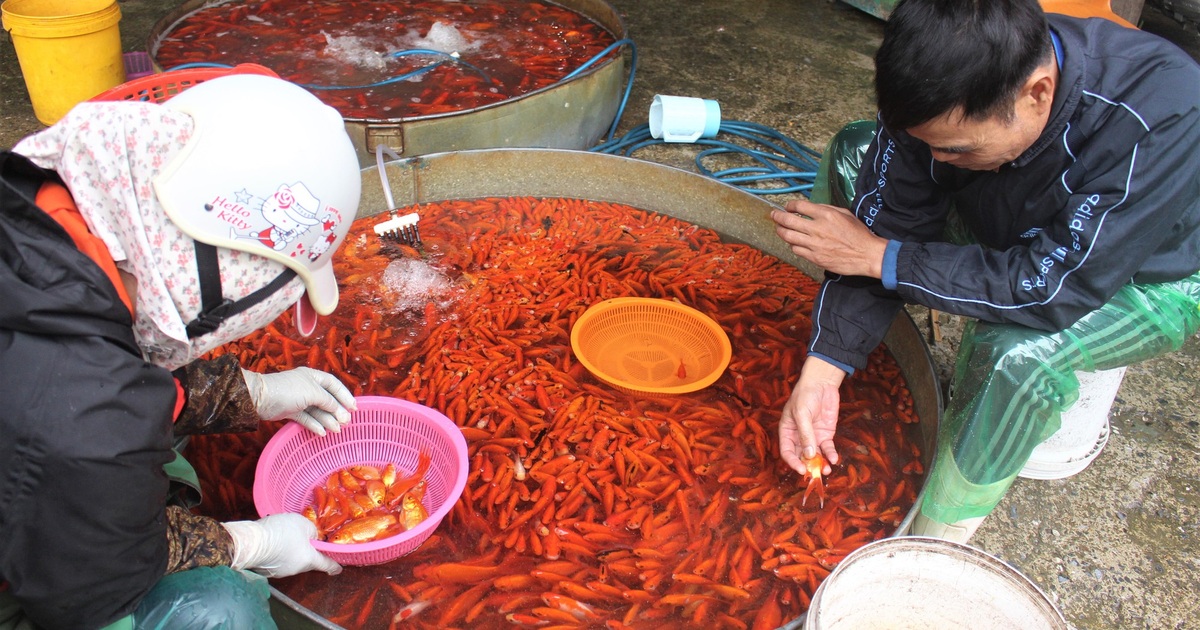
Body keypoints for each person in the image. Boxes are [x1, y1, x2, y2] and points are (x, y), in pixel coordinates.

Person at [771, 0, 1200, 542]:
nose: (937, 158)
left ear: (1037, 93)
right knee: (857, 155)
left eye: (954, 148)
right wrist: (824, 368)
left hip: (1140, 273)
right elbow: (885, 222)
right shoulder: (934, 85)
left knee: (1012, 355)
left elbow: (1056, 287)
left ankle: (936, 538)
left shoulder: (1164, 110)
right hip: (1004, 214)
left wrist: (883, 258)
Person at [0, 74, 364, 628]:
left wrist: (253, 393)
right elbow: (90, 579)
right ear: (213, 275)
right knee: (217, 611)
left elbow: (98, 371)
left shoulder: (43, 206)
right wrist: (251, 543)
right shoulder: (87, 422)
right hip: (48, 570)